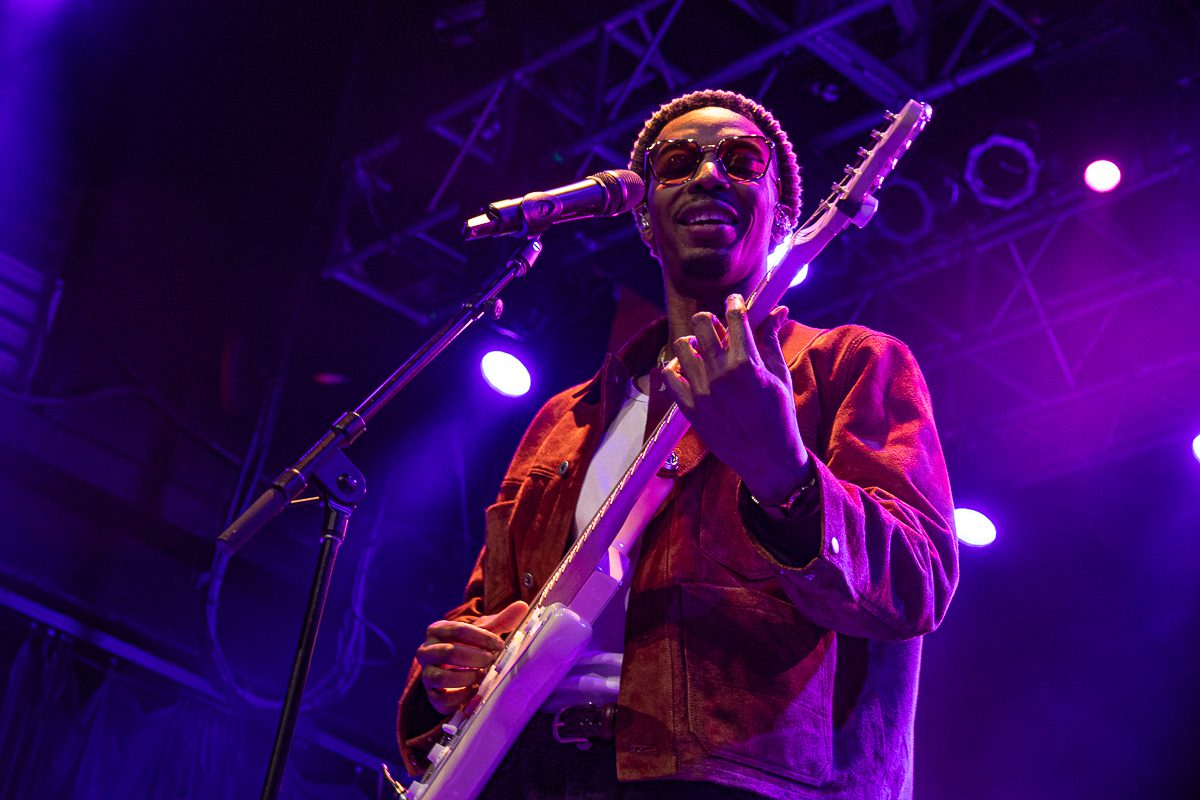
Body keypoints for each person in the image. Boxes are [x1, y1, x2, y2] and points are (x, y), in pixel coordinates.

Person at [397, 89, 959, 800]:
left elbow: (915, 584)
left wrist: (783, 473)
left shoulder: (847, 366)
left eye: (742, 160)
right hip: (536, 778)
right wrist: (451, 672)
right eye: (678, 162)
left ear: (785, 213)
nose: (709, 175)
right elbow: (488, 609)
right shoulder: (563, 421)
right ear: (643, 218)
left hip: (729, 779)